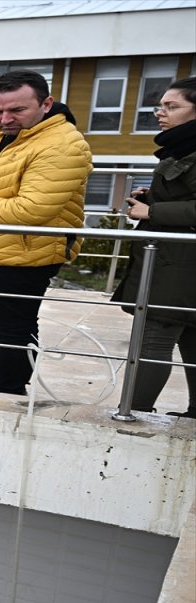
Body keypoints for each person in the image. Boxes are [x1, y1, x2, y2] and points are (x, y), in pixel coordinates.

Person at [0, 70, 91, 395]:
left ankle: (10, 388)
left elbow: (30, 211)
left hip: (29, 249)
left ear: (46, 103)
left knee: (11, 325)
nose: (4, 118)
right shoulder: (12, 134)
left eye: (16, 110)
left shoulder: (62, 145)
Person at [112, 76, 196, 419]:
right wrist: (156, 198)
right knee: (191, 338)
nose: (161, 112)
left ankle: (132, 414)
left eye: (172, 106)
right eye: (160, 105)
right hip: (175, 261)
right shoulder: (182, 145)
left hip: (178, 266)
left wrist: (154, 210)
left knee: (153, 339)